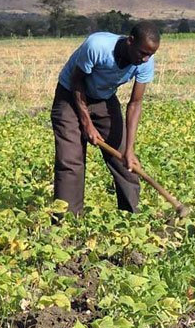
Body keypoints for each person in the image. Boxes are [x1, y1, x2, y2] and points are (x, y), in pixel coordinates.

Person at [51, 21, 160, 215]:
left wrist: (129, 149)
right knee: (70, 161)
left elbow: (135, 104)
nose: (145, 59)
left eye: (150, 54)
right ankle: (66, 222)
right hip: (70, 96)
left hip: (104, 99)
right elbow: (77, 82)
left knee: (125, 161)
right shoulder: (97, 46)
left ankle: (131, 216)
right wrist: (87, 124)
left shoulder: (145, 62)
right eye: (142, 53)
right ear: (130, 41)